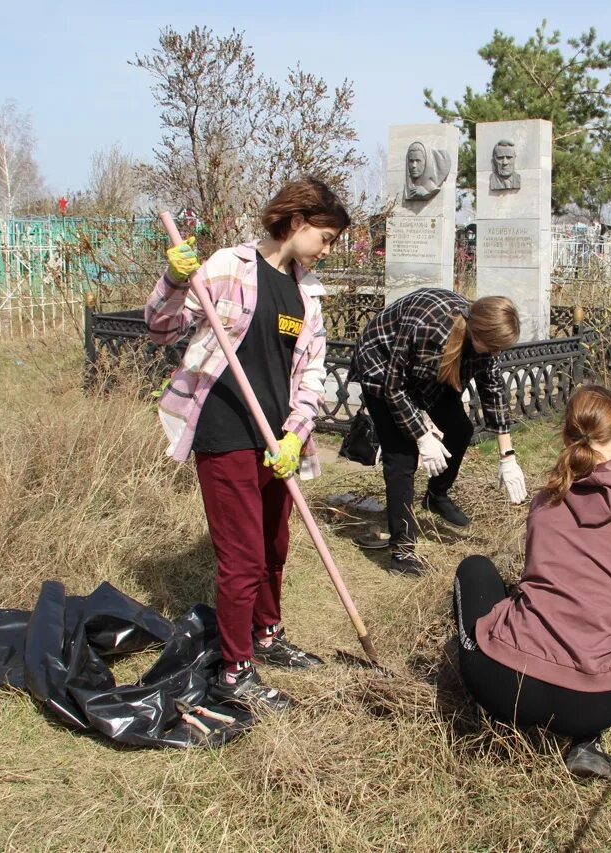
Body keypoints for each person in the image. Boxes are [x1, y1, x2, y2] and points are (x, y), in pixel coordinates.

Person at [144, 177, 351, 711]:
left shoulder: (308, 294)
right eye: (325, 238)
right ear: (299, 222)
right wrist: (173, 279)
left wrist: (295, 432)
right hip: (224, 426)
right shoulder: (227, 266)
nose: (327, 251)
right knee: (241, 556)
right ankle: (235, 671)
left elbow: (312, 373)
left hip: (276, 438)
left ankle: (267, 633)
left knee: (274, 546)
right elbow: (161, 328)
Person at [452, 384, 611, 778]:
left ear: (565, 435)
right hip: (599, 702)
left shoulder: (548, 495)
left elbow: (537, 572)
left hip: (504, 686)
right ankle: (588, 739)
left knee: (473, 568)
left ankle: (492, 710)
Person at [352, 288, 527, 576]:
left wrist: (507, 457)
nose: (497, 354)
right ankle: (402, 550)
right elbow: (395, 388)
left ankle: (436, 495)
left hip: (431, 370)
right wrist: (421, 435)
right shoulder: (428, 326)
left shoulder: (483, 340)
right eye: (494, 347)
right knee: (402, 456)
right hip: (381, 367)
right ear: (477, 334)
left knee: (460, 429)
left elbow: (493, 391)